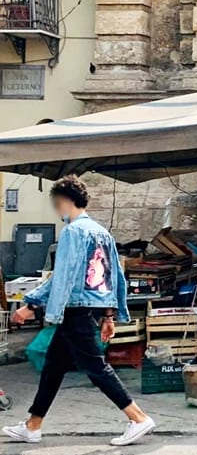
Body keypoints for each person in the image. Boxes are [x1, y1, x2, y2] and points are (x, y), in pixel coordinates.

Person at [4, 176, 156, 446]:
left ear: (63, 202)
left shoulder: (73, 233)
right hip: (89, 309)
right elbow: (113, 277)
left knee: (97, 368)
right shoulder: (102, 232)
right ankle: (33, 425)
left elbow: (62, 277)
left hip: (75, 310)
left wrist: (32, 305)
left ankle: (138, 417)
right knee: (53, 367)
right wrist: (109, 316)